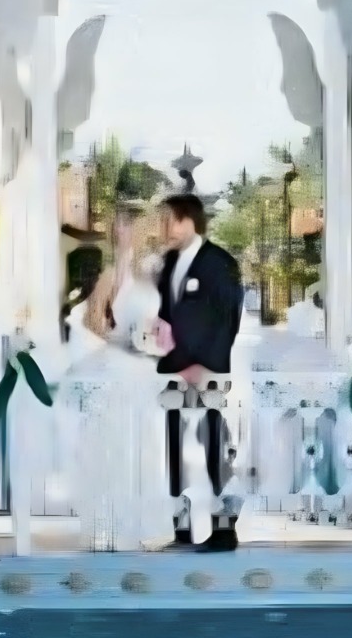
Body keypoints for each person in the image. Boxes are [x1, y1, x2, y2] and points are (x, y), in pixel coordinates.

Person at [60, 209, 172, 551]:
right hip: (119, 365)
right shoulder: (112, 273)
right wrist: (123, 339)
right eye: (120, 228)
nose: (126, 234)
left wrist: (158, 343)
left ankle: (147, 526)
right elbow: (94, 320)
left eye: (130, 228)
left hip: (147, 369)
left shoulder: (150, 273)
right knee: (116, 442)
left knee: (147, 443)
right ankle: (114, 527)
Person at [155, 192, 243, 553]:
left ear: (190, 220)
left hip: (209, 374)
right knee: (175, 450)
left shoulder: (220, 263)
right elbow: (167, 315)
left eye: (170, 221)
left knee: (213, 449)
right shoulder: (168, 263)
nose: (165, 229)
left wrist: (206, 363)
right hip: (173, 374)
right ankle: (182, 528)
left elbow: (228, 319)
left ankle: (224, 529)